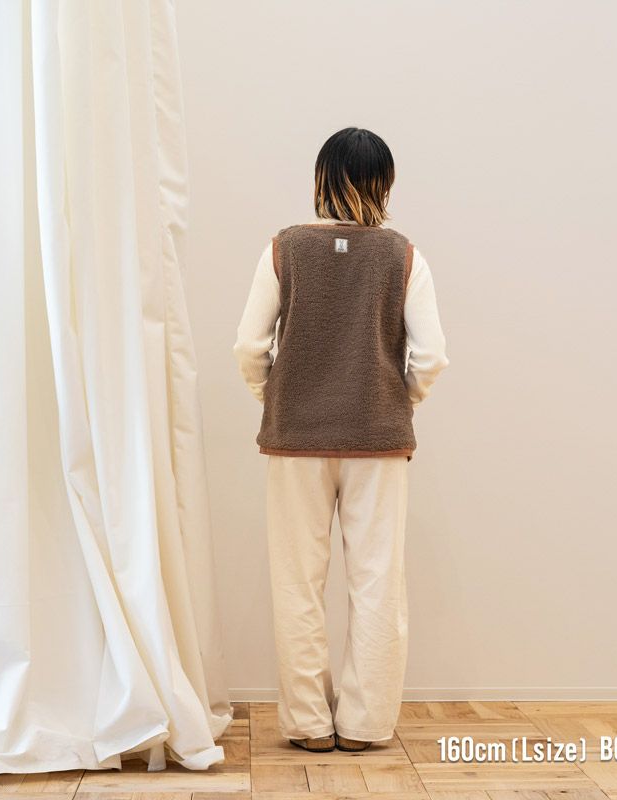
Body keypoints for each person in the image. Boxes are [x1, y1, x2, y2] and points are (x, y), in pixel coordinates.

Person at [233, 127, 448, 753]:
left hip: (295, 442)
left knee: (296, 583)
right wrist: (394, 404)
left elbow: (248, 347)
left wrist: (278, 400)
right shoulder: (404, 256)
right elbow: (432, 357)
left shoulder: (284, 249)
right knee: (378, 582)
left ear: (321, 177)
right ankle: (363, 725)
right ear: (385, 183)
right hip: (378, 442)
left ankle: (307, 724)